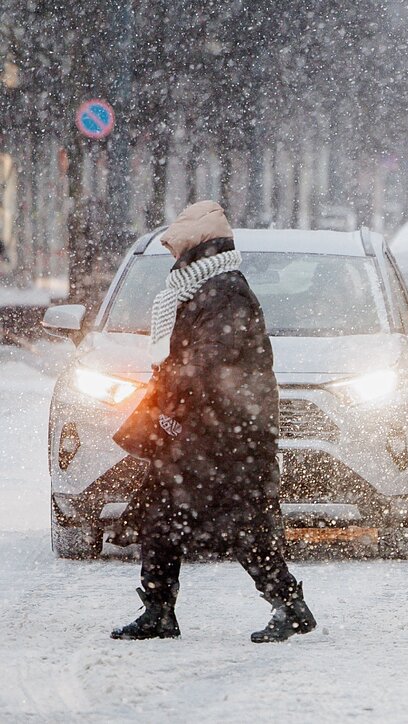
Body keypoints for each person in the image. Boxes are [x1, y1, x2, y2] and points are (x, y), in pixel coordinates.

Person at [111, 200, 316, 643]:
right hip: (201, 432)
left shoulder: (225, 292)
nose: (172, 259)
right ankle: (159, 611)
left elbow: (207, 364)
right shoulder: (202, 290)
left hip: (228, 436)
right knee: (160, 518)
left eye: (177, 252)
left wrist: (170, 397)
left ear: (196, 252)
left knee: (245, 526)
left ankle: (290, 606)